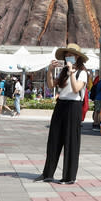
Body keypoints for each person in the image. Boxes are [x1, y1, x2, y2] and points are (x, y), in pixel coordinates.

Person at [35, 43, 88, 184]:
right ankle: (47, 173)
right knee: (54, 139)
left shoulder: (82, 72)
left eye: (70, 55)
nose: (68, 57)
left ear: (77, 57)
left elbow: (76, 88)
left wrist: (71, 73)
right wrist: (50, 71)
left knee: (71, 141)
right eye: (66, 55)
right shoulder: (63, 71)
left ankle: (69, 176)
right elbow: (52, 85)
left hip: (74, 106)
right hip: (61, 105)